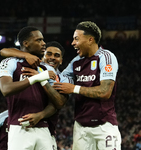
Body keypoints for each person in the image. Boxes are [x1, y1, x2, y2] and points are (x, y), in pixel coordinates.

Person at [51, 21, 122, 150]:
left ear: (90, 39)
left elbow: (105, 92)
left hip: (104, 126)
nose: (73, 43)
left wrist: (74, 88)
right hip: (81, 128)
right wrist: (47, 69)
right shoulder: (76, 61)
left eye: (76, 39)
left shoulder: (106, 57)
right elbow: (61, 79)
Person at [0, 26, 67, 150]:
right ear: (26, 43)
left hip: (44, 129)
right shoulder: (10, 62)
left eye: (43, 40)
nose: (44, 43)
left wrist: (40, 115)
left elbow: (58, 102)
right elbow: (6, 89)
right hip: (19, 128)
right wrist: (36, 78)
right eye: (39, 40)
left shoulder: (48, 69)